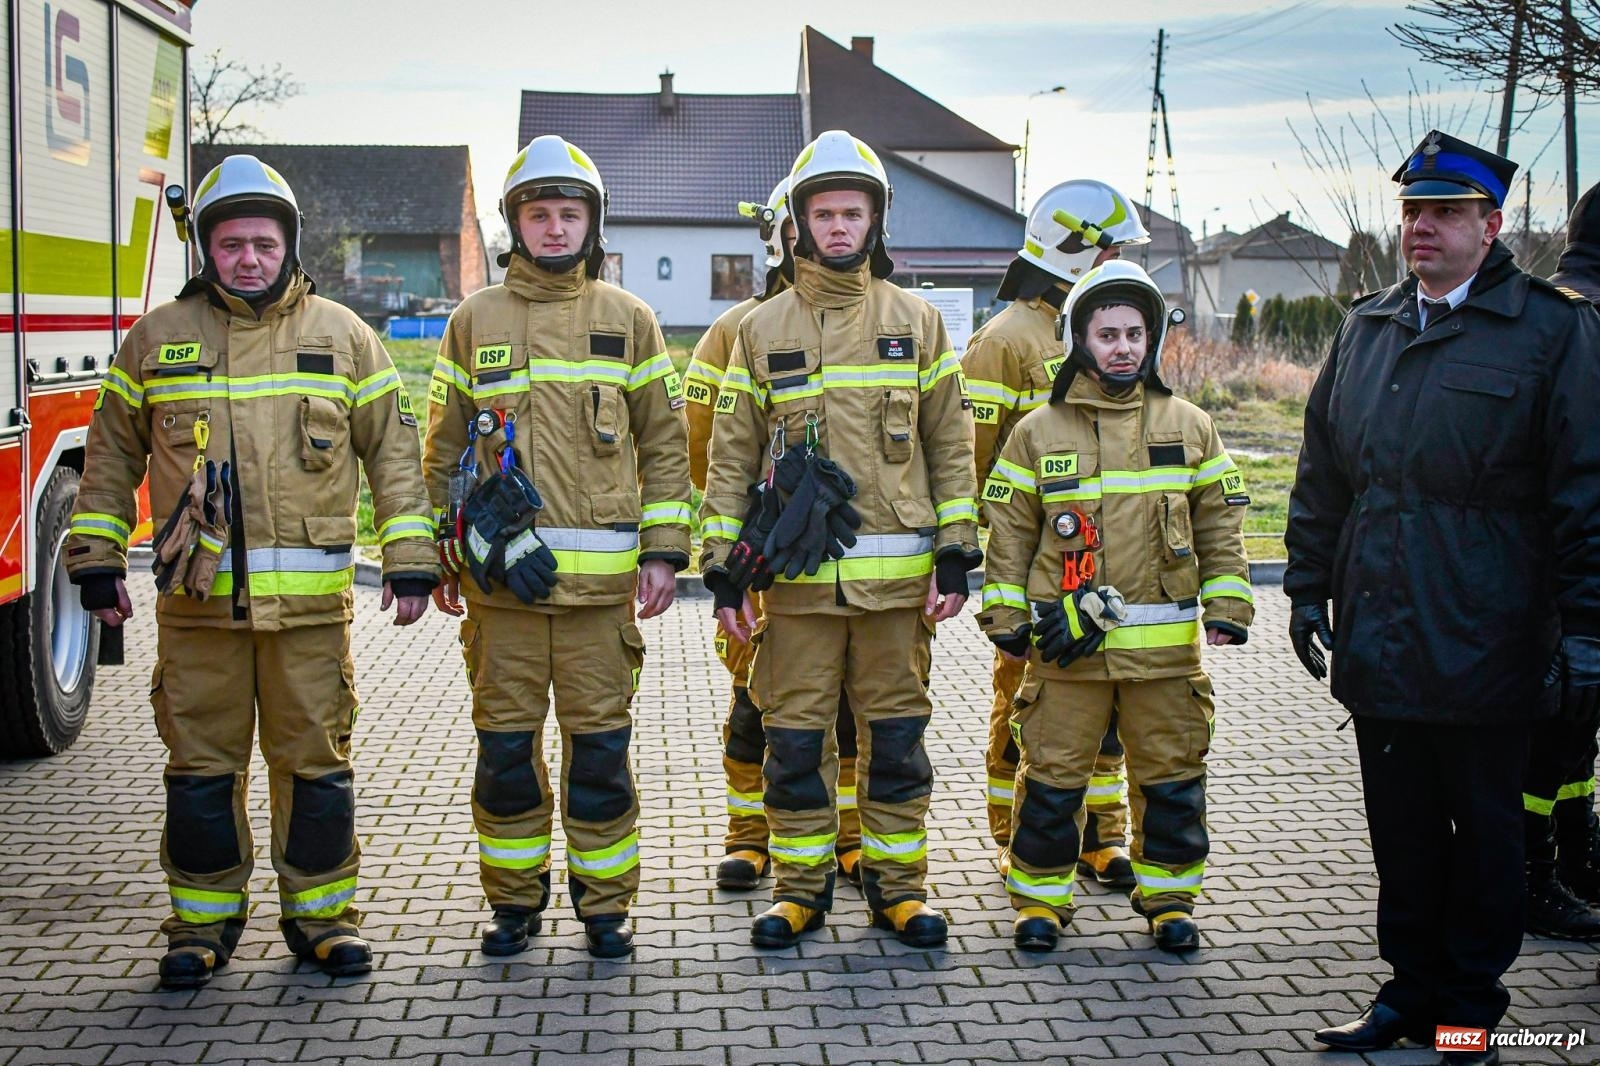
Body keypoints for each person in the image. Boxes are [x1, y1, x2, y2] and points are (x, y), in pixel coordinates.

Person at [65, 154, 439, 988]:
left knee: (316, 770)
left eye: (262, 243)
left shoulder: (344, 337)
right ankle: (200, 928)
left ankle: (324, 921)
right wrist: (93, 560)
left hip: (310, 620)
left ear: (289, 246)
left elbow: (397, 460)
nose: (247, 259)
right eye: (230, 243)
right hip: (198, 617)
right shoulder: (158, 340)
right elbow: (109, 457)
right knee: (201, 772)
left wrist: (411, 562)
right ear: (206, 248)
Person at [1286, 132, 1600, 1065]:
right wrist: (1307, 587)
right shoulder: (1367, 327)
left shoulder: (1554, 330)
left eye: (1445, 213)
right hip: (1383, 631)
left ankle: (1467, 1010)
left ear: (1491, 225)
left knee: (1490, 837)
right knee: (1404, 832)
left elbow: (1584, 487)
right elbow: (1324, 475)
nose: (1421, 229)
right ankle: (1407, 993)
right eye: (1413, 212)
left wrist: (1586, 629)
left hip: (1492, 635)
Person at [700, 129, 981, 949]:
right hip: (796, 594)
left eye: (851, 212)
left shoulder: (919, 323)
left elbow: (950, 447)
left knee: (894, 748)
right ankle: (800, 892)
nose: (836, 227)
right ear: (798, 224)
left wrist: (957, 551)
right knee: (793, 747)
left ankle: (899, 890)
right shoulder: (761, 330)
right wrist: (722, 571)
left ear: (875, 221)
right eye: (822, 213)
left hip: (897, 596)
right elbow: (730, 457)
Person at [422, 135, 691, 960]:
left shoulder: (630, 320)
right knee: (506, 758)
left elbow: (668, 444)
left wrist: (663, 552)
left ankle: (605, 908)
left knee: (600, 759)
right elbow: (441, 451)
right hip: (503, 602)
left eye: (567, 213)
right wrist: (446, 551)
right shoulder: (475, 321)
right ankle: (513, 905)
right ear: (514, 223)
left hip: (598, 608)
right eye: (537, 213)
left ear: (591, 224)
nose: (552, 227)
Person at [976, 260, 1251, 953]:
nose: (1123, 346)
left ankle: (1170, 901)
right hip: (1069, 657)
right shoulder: (1037, 432)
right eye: (1108, 334)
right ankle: (1039, 904)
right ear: (1079, 342)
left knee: (1172, 782)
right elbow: (1007, 533)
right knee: (1051, 783)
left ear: (1152, 341)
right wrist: (1004, 620)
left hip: (1164, 663)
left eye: (1135, 333)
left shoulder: (1191, 427)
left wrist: (1228, 604)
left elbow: (1220, 523)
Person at [963, 179, 1152, 890]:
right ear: (1074, 251)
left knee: (1108, 708)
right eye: (1110, 249)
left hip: (1112, 562)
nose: (1121, 263)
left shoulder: (1110, 327)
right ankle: (1024, 839)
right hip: (1043, 568)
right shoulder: (1005, 342)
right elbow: (972, 463)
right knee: (1030, 711)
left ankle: (1101, 840)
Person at [684, 178, 864, 893]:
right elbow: (706, 447)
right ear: (784, 239)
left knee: (849, 712)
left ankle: (848, 840)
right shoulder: (735, 332)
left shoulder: (874, 320)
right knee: (756, 707)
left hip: (851, 560)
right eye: (804, 228)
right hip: (768, 560)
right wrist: (755, 525)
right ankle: (748, 836)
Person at [1539, 181, 1600, 913]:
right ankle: (1533, 875)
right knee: (1553, 735)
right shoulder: (1581, 323)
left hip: (1564, 573)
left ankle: (1574, 850)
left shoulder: (1548, 311)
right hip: (1565, 575)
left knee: (1573, 736)